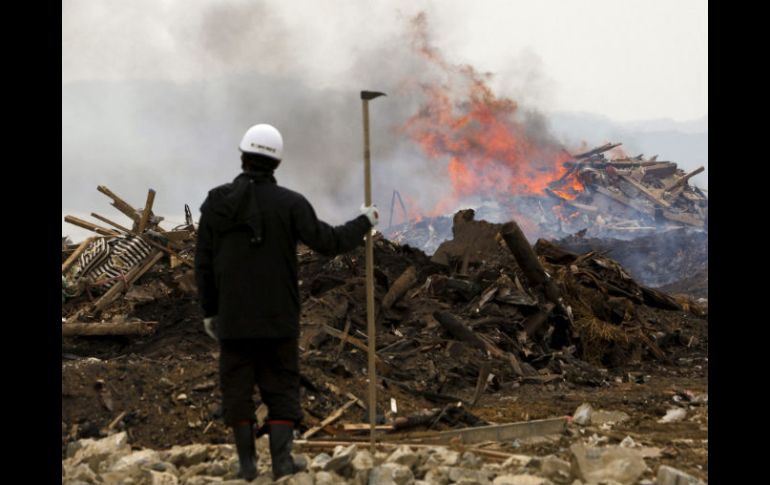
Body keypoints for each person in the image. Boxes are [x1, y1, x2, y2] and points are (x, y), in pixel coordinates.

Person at [194, 123, 378, 480]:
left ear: (243, 156)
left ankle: (246, 465)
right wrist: (364, 221)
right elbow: (329, 241)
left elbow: (203, 262)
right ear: (276, 163)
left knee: (237, 388)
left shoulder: (216, 203)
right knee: (281, 386)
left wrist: (210, 311)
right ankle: (282, 463)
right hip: (278, 317)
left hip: (232, 318)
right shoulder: (290, 204)